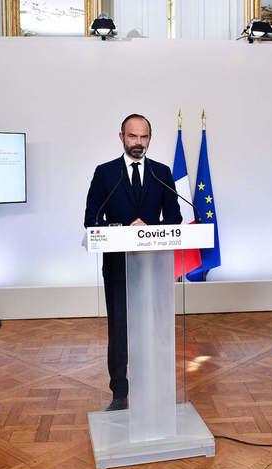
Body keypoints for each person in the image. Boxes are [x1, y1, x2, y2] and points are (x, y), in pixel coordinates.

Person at [84, 114, 182, 411]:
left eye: (144, 137)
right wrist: (123, 230)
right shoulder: (105, 173)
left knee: (155, 327)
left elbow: (175, 218)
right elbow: (91, 219)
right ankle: (119, 392)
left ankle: (153, 385)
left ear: (150, 139)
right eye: (133, 137)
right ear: (121, 137)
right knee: (120, 329)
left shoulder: (161, 173)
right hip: (118, 266)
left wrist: (148, 230)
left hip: (154, 265)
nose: (138, 143)